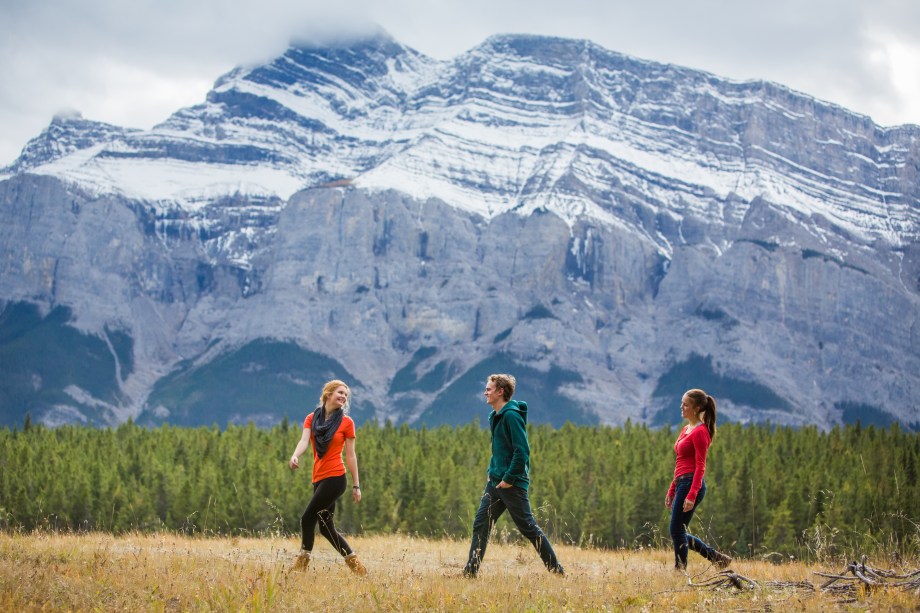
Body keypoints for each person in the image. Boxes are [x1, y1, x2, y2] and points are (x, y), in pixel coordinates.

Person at [462, 373, 565, 577]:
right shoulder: (495, 416)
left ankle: (557, 571)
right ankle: (470, 573)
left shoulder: (511, 415)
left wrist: (508, 479)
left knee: (529, 528)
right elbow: (499, 450)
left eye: (489, 389)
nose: (485, 392)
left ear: (500, 391)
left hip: (512, 484)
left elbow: (522, 451)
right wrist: (492, 473)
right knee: (481, 524)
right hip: (496, 483)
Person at [288, 379, 367, 576]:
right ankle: (357, 568)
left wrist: (356, 485)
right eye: (340, 393)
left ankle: (302, 563)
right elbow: (304, 440)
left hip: (336, 478)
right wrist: (296, 455)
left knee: (307, 518)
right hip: (319, 478)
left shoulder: (346, 423)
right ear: (328, 394)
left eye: (345, 395)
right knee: (325, 528)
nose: (343, 397)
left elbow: (351, 455)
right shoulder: (312, 419)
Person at [665, 388, 732, 570]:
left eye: (685, 404)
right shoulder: (686, 429)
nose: (681, 407)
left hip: (691, 484)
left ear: (695, 409)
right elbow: (680, 462)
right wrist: (672, 489)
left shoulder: (701, 432)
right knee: (678, 531)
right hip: (681, 483)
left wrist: (692, 494)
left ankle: (680, 570)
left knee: (676, 530)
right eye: (682, 403)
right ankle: (716, 557)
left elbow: (700, 466)